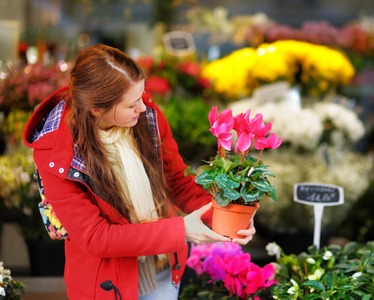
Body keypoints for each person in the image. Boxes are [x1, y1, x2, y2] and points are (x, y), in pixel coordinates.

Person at [22, 44, 256, 300]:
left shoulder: (147, 118)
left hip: (164, 268)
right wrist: (180, 231)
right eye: (132, 104)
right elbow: (97, 237)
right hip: (108, 286)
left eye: (142, 96)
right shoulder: (56, 152)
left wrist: (227, 217)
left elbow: (177, 182)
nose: (143, 108)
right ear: (97, 109)